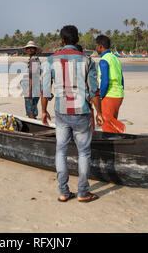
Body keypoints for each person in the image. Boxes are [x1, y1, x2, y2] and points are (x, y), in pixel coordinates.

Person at [41, 25, 104, 203]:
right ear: (77, 40)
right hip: (81, 112)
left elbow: (45, 90)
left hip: (61, 112)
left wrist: (43, 111)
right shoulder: (88, 61)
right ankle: (83, 192)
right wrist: (99, 112)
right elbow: (94, 91)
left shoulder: (51, 60)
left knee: (61, 150)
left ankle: (63, 191)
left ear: (62, 41)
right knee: (84, 152)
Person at [95, 35, 125, 133]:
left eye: (96, 46)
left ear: (100, 46)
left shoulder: (104, 60)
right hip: (119, 94)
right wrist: (120, 91)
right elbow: (122, 79)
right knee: (112, 121)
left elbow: (105, 81)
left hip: (110, 95)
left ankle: (115, 140)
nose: (96, 49)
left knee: (107, 123)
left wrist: (100, 96)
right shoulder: (115, 58)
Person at [20, 40, 41, 119]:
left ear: (35, 50)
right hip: (33, 88)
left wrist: (29, 91)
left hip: (32, 89)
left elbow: (33, 76)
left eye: (32, 48)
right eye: (28, 48)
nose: (30, 50)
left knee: (30, 110)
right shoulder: (33, 60)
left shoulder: (34, 60)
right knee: (33, 109)